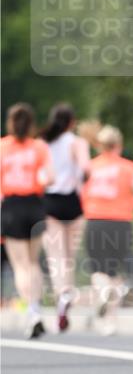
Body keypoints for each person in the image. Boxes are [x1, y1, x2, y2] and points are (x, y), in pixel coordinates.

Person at [80, 125, 133, 332]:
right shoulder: (128, 167)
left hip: (95, 220)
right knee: (117, 270)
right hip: (121, 221)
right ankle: (110, 320)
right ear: (119, 144)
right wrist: (130, 205)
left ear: (100, 145)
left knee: (98, 268)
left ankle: (103, 291)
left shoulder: (91, 167)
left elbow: (80, 192)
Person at [0, 103, 54, 337]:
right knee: (33, 263)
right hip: (34, 205)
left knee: (20, 265)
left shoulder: (3, 147)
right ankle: (36, 308)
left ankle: (31, 313)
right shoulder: (39, 147)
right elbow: (50, 178)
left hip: (12, 206)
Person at [41, 103, 90, 331]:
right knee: (69, 254)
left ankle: (62, 293)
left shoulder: (43, 142)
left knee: (55, 255)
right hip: (73, 200)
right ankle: (67, 291)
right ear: (72, 122)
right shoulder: (76, 142)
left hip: (49, 200)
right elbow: (86, 167)